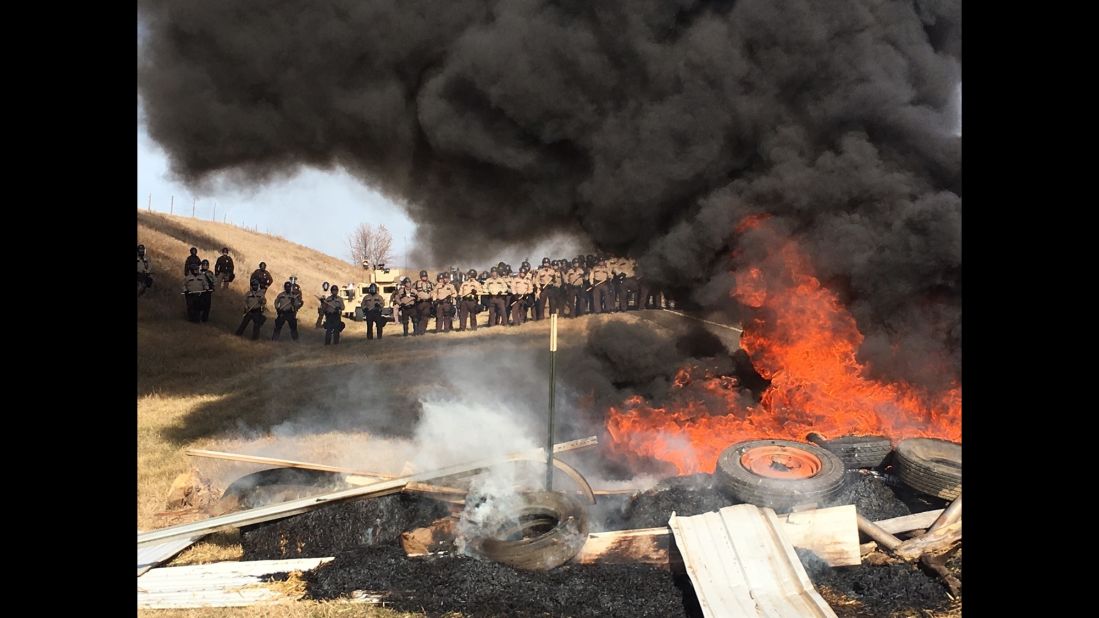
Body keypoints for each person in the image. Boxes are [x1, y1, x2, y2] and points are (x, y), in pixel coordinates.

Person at [411, 270, 435, 336]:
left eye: (425, 276)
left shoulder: (430, 283)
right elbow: (412, 291)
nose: (424, 278)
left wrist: (432, 295)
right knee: (418, 317)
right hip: (419, 303)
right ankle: (417, 330)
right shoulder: (416, 283)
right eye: (423, 276)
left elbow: (435, 290)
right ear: (420, 277)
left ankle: (422, 331)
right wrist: (416, 296)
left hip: (427, 303)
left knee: (425, 317)